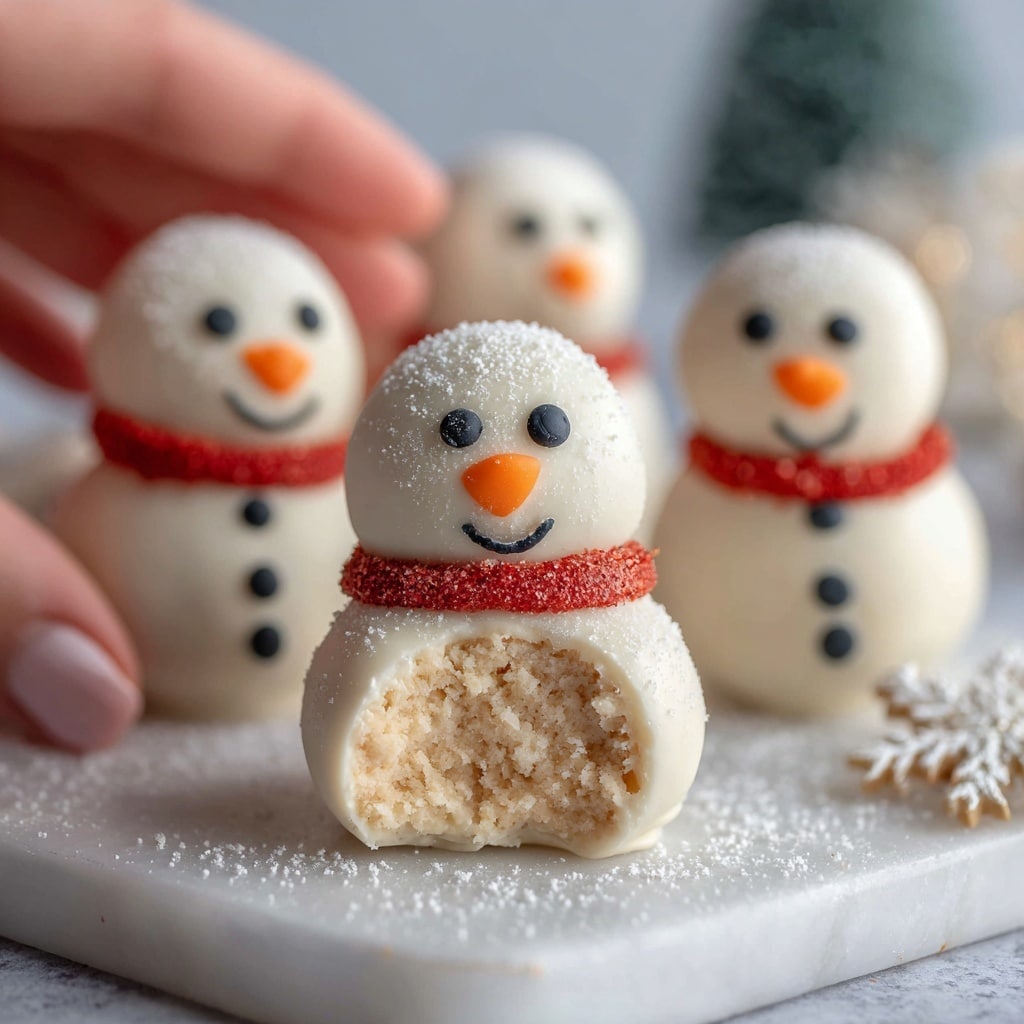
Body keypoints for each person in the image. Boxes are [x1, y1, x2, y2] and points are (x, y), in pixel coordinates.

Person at [0, 0, 447, 752]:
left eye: (306, 324)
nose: (276, 359)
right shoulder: (104, 496)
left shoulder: (348, 498)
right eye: (216, 327)